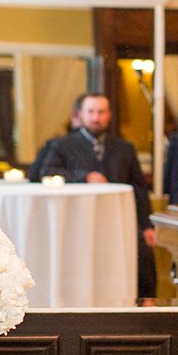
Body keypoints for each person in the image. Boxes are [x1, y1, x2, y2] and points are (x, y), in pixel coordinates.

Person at [29, 92, 157, 299]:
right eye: (91, 112)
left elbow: (139, 187)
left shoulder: (125, 148)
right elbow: (45, 173)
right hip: (78, 224)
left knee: (141, 258)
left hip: (118, 221)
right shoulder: (61, 145)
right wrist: (84, 177)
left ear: (109, 115)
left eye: (101, 112)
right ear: (80, 115)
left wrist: (147, 225)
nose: (96, 117)